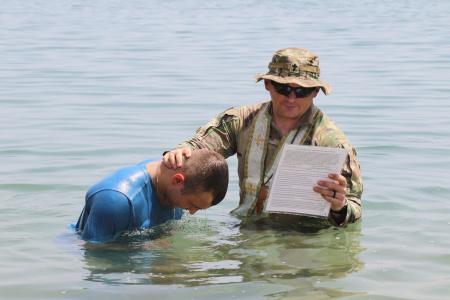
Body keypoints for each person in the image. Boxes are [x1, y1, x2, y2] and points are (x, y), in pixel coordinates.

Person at [163, 47, 363, 227]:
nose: (292, 98)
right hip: (245, 227)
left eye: (302, 91)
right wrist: (182, 151)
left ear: (316, 92)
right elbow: (198, 146)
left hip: (304, 240)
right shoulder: (241, 120)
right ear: (268, 84)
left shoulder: (332, 143)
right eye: (284, 89)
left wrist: (340, 206)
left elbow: (354, 208)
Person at [75, 149, 229, 242]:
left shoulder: (172, 189)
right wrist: (148, 249)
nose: (191, 212)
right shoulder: (117, 200)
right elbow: (93, 254)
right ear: (177, 180)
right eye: (192, 204)